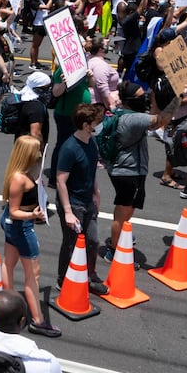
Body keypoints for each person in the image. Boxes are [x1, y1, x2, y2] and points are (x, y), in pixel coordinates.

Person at [0, 136, 58, 337]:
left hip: (14, 225)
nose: (40, 155)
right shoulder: (19, 178)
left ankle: (9, 309)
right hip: (21, 226)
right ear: (27, 155)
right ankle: (38, 320)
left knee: (9, 264)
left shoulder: (22, 174)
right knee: (33, 274)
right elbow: (15, 211)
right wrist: (33, 214)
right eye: (37, 152)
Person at [105, 82, 167, 250]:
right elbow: (161, 120)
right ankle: (114, 249)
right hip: (127, 171)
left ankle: (120, 236)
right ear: (130, 100)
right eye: (141, 97)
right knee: (122, 212)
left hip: (123, 168)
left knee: (127, 209)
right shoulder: (133, 118)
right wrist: (177, 99)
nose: (144, 99)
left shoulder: (121, 112)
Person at [53, 103, 107, 295]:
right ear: (86, 125)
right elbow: (60, 181)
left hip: (88, 201)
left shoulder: (91, 142)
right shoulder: (69, 148)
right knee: (71, 243)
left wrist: (96, 193)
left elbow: (91, 171)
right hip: (73, 204)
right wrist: (67, 212)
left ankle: (89, 275)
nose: (99, 125)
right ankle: (64, 278)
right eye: (97, 122)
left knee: (93, 241)